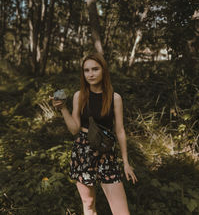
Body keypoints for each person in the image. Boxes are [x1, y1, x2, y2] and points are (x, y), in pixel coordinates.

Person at [52, 52, 137, 215]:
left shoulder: (115, 98)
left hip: (106, 153)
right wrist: (63, 109)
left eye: (95, 69)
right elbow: (74, 130)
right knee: (89, 204)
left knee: (122, 212)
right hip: (83, 150)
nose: (90, 74)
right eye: (86, 70)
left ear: (104, 70)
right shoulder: (79, 96)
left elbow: (119, 130)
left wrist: (125, 162)